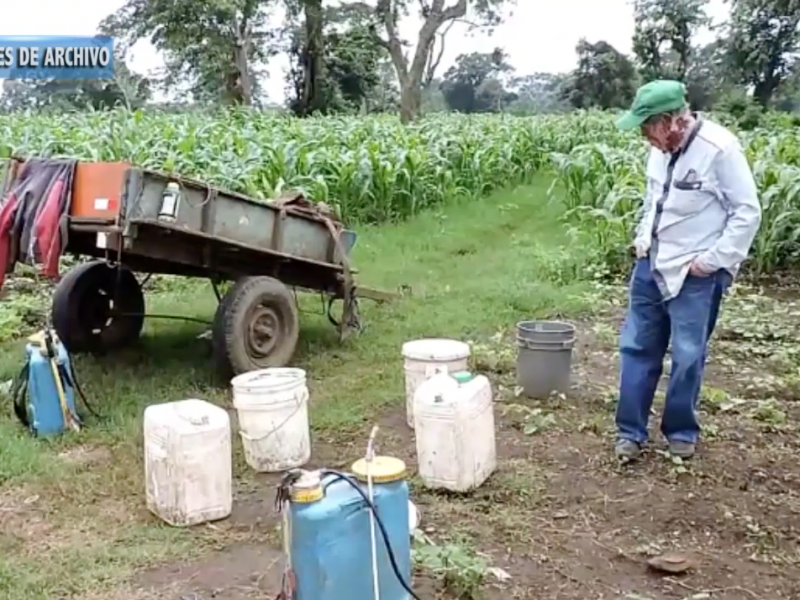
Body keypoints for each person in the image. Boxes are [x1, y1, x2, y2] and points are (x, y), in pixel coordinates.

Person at [612, 80, 761, 461]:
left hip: (695, 273)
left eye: (649, 127)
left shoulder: (719, 149)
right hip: (651, 264)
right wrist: (642, 237)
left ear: (673, 121)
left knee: (687, 353)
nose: (646, 137)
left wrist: (711, 262)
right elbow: (653, 200)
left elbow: (747, 212)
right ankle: (630, 432)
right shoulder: (659, 151)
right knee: (637, 348)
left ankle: (680, 430)